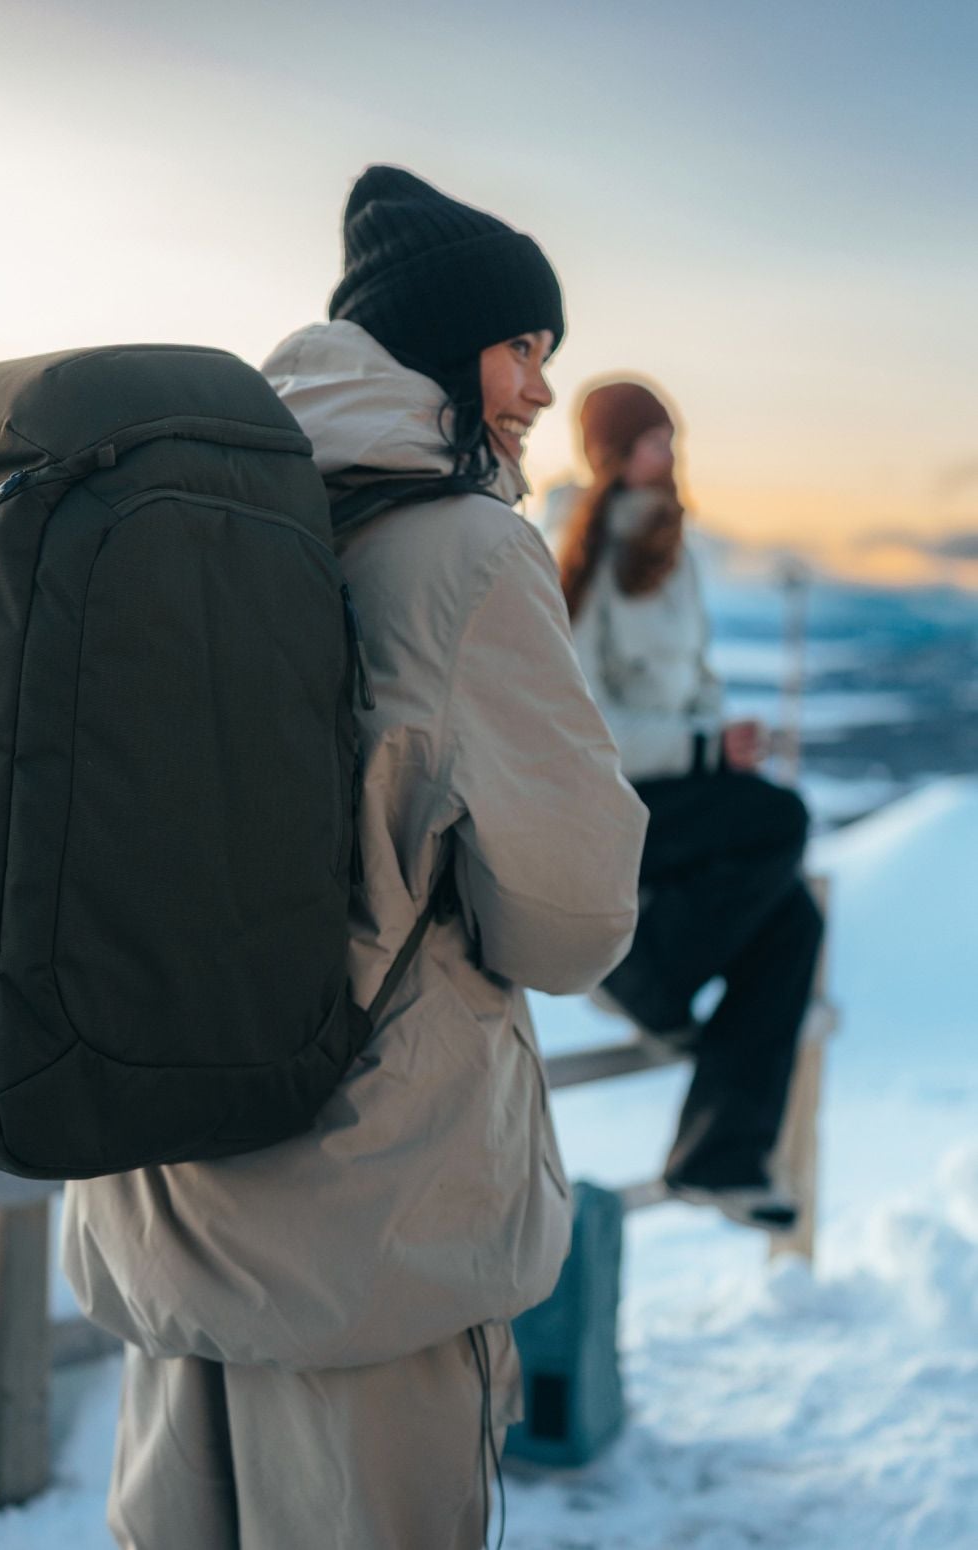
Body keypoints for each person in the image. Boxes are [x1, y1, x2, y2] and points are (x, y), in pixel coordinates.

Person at [62, 166, 647, 1550]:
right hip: (374, 1229)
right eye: (524, 348)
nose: (542, 392)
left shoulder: (199, 522)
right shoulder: (466, 554)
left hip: (167, 1194)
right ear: (449, 351)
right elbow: (573, 918)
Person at [557, 377, 824, 1231]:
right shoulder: (580, 551)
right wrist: (709, 749)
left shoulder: (675, 551)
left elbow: (695, 685)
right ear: (610, 454)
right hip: (615, 798)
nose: (665, 454)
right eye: (648, 440)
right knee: (782, 823)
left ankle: (719, 1156)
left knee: (795, 926)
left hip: (681, 782)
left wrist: (725, 738)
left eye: (667, 438)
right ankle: (641, 972)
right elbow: (583, 719)